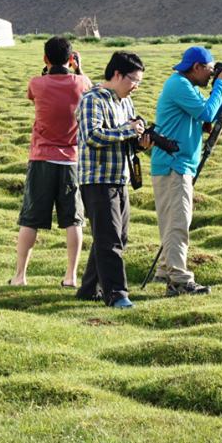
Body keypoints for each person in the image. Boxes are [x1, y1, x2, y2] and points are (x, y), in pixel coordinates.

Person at [151, 46, 222, 296]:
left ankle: (165, 270)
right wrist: (221, 84)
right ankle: (179, 279)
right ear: (197, 67)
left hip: (177, 163)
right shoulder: (179, 85)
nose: (211, 76)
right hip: (174, 164)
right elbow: (206, 112)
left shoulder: (184, 86)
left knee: (174, 222)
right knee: (178, 223)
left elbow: (205, 111)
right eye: (210, 71)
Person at [9, 37, 91, 288]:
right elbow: (89, 86)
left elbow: (32, 96)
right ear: (70, 59)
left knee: (30, 218)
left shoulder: (37, 83)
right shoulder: (81, 83)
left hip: (41, 157)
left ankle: (20, 275)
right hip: (71, 161)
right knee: (73, 219)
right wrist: (78, 69)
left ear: (45, 59)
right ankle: (71, 275)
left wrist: (49, 71)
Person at [75, 51, 151, 308]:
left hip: (120, 177)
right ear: (117, 74)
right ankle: (117, 294)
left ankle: (89, 289)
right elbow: (92, 136)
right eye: (133, 80)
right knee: (110, 240)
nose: (136, 87)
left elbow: (125, 139)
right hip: (96, 179)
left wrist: (139, 141)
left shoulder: (125, 102)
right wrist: (127, 130)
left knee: (118, 236)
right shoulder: (92, 100)